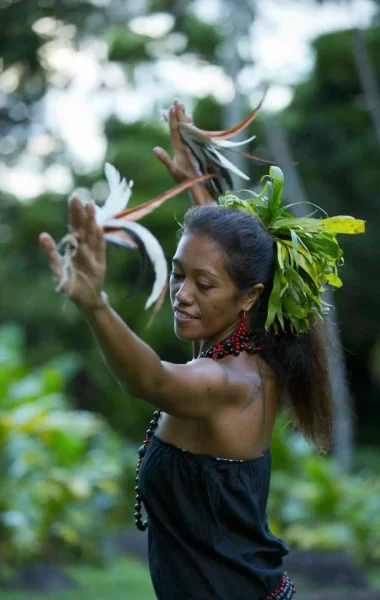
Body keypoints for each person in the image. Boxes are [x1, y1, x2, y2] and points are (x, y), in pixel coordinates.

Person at [40, 100, 345, 600]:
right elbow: (234, 256)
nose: (182, 292)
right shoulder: (248, 355)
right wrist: (200, 183)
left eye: (203, 285)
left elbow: (151, 382)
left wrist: (95, 304)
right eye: (179, 274)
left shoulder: (230, 383)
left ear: (249, 297)